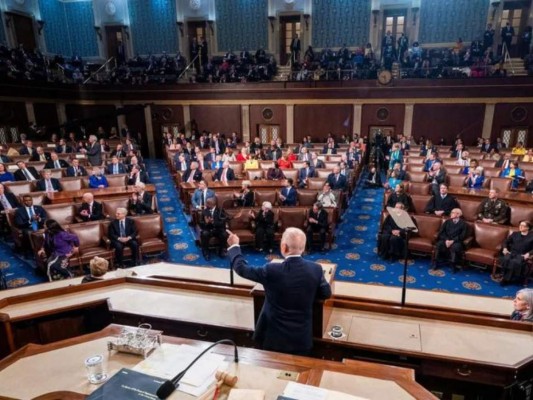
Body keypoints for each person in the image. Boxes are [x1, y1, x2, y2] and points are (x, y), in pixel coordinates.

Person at [227, 227, 332, 355]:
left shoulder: (271, 270)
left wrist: (234, 246)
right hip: (301, 339)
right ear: (303, 248)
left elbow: (241, 268)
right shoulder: (316, 269)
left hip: (273, 339)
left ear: (284, 247)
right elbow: (326, 293)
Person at [499, 221, 533, 286]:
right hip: (511, 252)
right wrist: (505, 248)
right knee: (506, 259)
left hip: (522, 255)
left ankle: (505, 279)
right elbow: (505, 241)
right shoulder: (515, 234)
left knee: (514, 262)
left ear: (528, 228)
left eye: (523, 226)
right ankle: (506, 276)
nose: (520, 227)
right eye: (520, 225)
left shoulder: (532, 236)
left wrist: (529, 253)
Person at [434, 208, 467, 273]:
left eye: (453, 212)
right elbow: (441, 232)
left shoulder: (463, 224)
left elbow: (462, 236)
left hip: (456, 241)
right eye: (451, 212)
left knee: (455, 247)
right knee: (439, 244)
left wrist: (452, 241)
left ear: (458, 214)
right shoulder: (447, 221)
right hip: (446, 240)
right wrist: (446, 240)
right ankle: (436, 263)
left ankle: (453, 265)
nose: (451, 214)